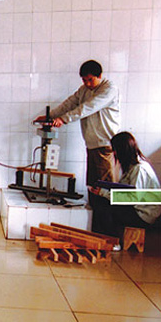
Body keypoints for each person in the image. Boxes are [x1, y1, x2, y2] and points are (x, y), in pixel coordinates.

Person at [34, 60, 120, 228]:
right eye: (84, 80)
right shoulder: (84, 90)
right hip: (92, 145)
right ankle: (95, 228)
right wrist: (51, 116)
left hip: (105, 146)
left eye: (90, 80)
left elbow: (88, 107)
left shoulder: (109, 89)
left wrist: (63, 119)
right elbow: (70, 103)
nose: (87, 83)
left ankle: (108, 231)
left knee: (106, 190)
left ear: (100, 76)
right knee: (93, 187)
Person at [89, 132, 161, 242]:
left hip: (144, 215)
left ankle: (110, 241)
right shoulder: (133, 166)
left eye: (115, 150)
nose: (114, 153)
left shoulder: (139, 169)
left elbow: (133, 198)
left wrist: (103, 193)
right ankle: (105, 239)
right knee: (102, 202)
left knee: (104, 207)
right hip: (140, 209)